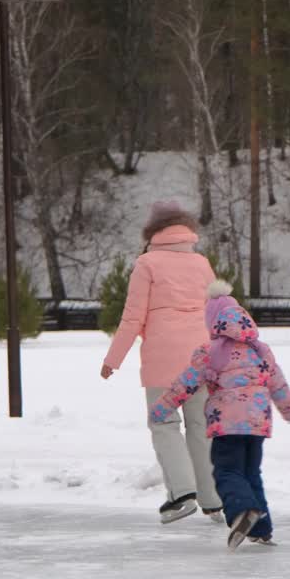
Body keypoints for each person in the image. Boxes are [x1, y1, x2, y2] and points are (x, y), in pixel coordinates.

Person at [150, 280, 290, 551]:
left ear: (213, 323)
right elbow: (278, 383)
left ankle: (243, 512)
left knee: (227, 471)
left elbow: (185, 385)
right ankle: (262, 530)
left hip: (227, 425)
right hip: (257, 424)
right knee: (251, 474)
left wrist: (161, 409)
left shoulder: (210, 353)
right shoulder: (261, 350)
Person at [101, 201, 223, 524]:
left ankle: (182, 494)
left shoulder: (147, 264)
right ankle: (213, 499)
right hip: (201, 359)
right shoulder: (201, 263)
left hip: (163, 359)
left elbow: (132, 319)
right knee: (201, 428)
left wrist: (113, 360)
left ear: (153, 231)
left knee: (165, 424)